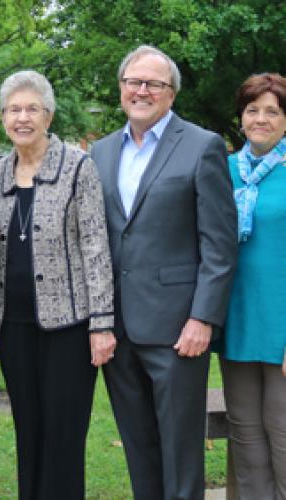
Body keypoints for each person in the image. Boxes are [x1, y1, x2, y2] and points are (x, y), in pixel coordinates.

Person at [91, 45, 238, 500]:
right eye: (134, 81)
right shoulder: (99, 152)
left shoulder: (202, 146)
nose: (142, 90)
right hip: (118, 330)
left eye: (154, 83)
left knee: (180, 453)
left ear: (171, 93)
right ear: (121, 90)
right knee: (139, 451)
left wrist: (203, 319)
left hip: (179, 331)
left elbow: (219, 244)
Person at [0, 70, 116, 499]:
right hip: (12, 324)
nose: (23, 118)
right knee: (28, 429)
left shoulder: (78, 167)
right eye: (14, 110)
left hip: (69, 326)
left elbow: (96, 245)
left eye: (32, 109)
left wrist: (102, 323)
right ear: (4, 117)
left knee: (63, 433)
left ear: (49, 115)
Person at [215, 73, 286, 500]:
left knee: (283, 436)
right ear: (241, 117)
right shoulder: (223, 171)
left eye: (272, 111)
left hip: (281, 327)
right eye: (252, 110)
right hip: (238, 323)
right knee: (247, 441)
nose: (261, 119)